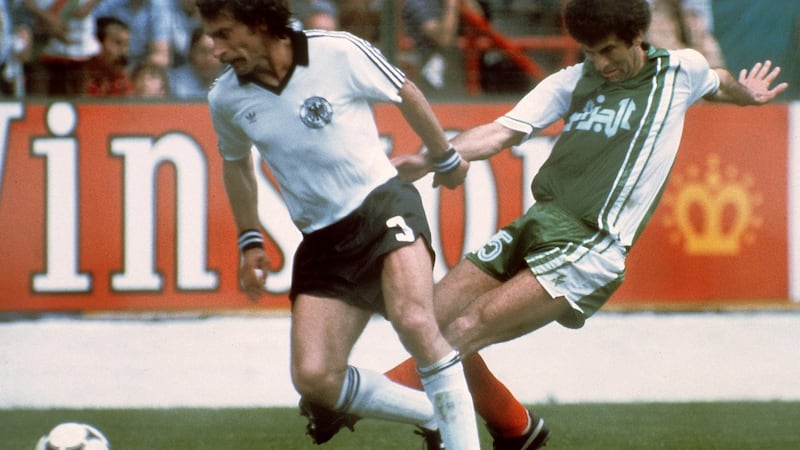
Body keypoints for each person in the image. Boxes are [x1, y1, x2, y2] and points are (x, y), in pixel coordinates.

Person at [310, 0, 789, 448]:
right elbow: (500, 131)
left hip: (591, 244)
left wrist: (745, 94)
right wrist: (437, 156)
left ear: (637, 36)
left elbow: (719, 80)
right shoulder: (573, 81)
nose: (600, 64)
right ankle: (515, 427)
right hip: (539, 221)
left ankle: (354, 402)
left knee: (464, 330)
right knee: (429, 319)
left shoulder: (680, 70)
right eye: (589, 52)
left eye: (609, 51)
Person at [194, 0, 481, 448]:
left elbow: (405, 91)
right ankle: (434, 414)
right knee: (314, 378)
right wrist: (250, 240)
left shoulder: (338, 51)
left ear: (260, 24)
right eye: (213, 36)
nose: (216, 48)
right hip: (324, 240)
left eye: (225, 34)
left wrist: (443, 157)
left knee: (414, 321)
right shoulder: (226, 98)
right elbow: (236, 165)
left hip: (382, 205)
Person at [19, 0, 102, 96]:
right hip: (42, 49)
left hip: (76, 52)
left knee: (75, 105)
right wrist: (46, 18)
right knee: (38, 102)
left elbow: (81, 11)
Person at [167, 26, 223, 99]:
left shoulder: (231, 83)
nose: (208, 59)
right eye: (202, 51)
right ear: (191, 52)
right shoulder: (173, 83)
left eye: (213, 52)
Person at [82, 16, 132, 96]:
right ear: (97, 43)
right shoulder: (79, 77)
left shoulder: (121, 79)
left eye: (126, 45)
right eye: (117, 43)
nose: (124, 51)